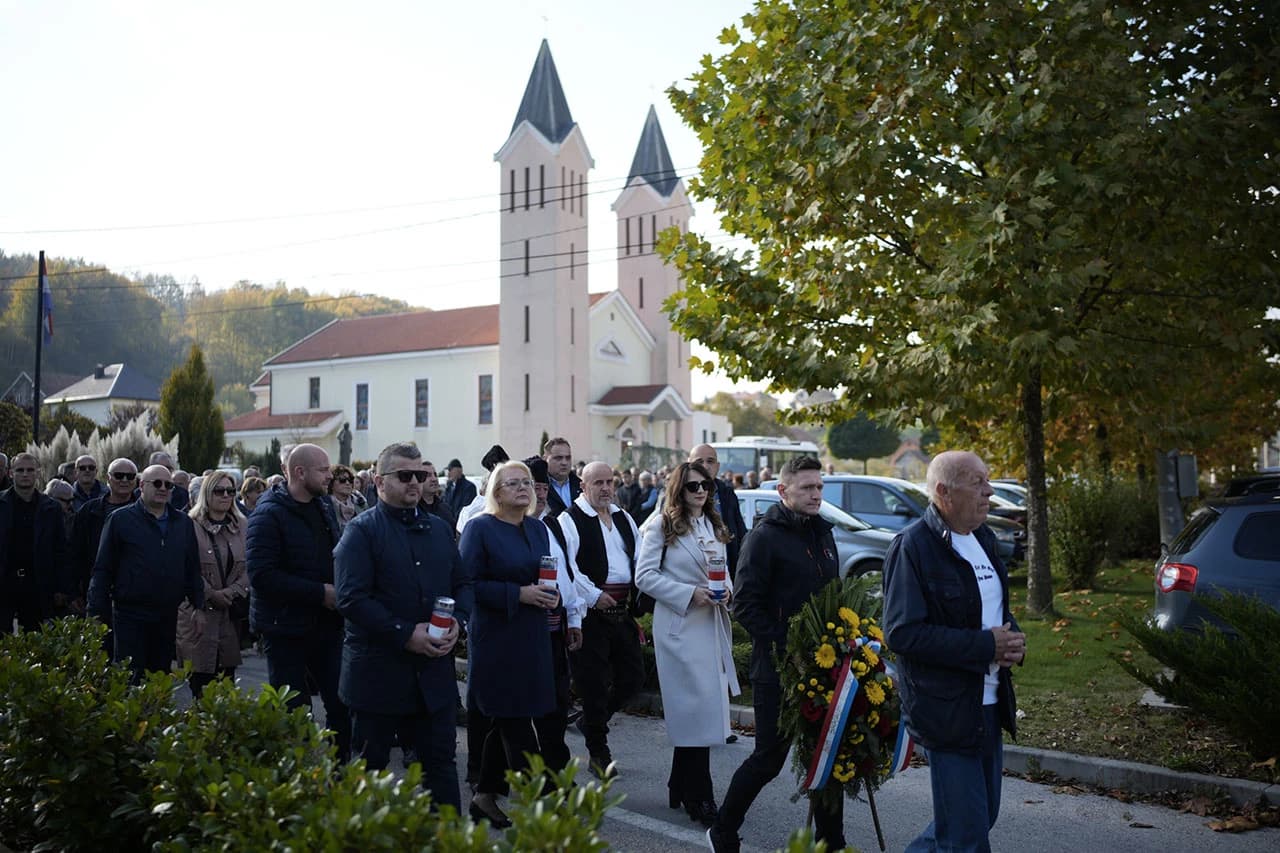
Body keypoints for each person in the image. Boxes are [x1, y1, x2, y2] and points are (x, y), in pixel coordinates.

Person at [883, 450, 1025, 853]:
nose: (990, 491)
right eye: (978, 482)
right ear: (944, 491)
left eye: (988, 480)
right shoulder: (913, 547)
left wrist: (1012, 638)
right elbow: (901, 633)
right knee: (966, 836)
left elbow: (994, 610)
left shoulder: (984, 539)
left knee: (978, 819)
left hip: (989, 704)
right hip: (945, 709)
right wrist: (985, 645)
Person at [707, 456, 845, 852]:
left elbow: (831, 599)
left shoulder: (823, 533)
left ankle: (831, 842)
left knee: (826, 757)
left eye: (819, 487)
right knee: (769, 760)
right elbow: (746, 605)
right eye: (807, 488)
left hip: (825, 667)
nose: (816, 494)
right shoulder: (764, 537)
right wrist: (791, 645)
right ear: (783, 491)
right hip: (779, 670)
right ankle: (723, 828)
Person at [335, 442, 472, 810]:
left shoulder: (440, 530)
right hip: (378, 675)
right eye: (405, 476)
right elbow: (351, 598)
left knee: (441, 768)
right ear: (379, 482)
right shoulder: (361, 532)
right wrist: (405, 633)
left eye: (423, 475)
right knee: (370, 775)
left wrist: (458, 622)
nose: (416, 482)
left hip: (433, 677)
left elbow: (463, 585)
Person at [634, 461, 739, 827]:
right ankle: (701, 796)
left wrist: (726, 588)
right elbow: (644, 576)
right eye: (693, 486)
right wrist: (687, 593)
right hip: (679, 626)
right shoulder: (661, 525)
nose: (700, 492)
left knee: (703, 709)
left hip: (709, 625)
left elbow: (721, 569)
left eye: (705, 485)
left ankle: (679, 784)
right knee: (695, 711)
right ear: (679, 489)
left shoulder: (713, 524)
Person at [460, 459, 562, 827]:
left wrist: (551, 595)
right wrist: (517, 594)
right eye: (513, 483)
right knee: (514, 721)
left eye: (528, 483)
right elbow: (466, 584)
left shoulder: (537, 529)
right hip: (496, 637)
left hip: (532, 635)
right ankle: (540, 799)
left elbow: (547, 574)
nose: (524, 488)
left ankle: (484, 796)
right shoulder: (480, 529)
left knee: (507, 718)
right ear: (496, 492)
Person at [246, 443, 351, 761]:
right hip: (285, 629)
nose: (329, 476)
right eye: (323, 470)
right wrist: (321, 593)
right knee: (293, 711)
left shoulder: (323, 506)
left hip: (326, 626)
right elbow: (262, 576)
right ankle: (297, 782)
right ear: (299, 472)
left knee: (341, 703)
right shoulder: (268, 514)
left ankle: (339, 777)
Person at [547, 460, 643, 779]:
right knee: (593, 686)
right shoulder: (570, 519)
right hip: (590, 614)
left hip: (621, 611)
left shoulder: (624, 517)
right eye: (597, 483)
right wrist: (591, 594)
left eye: (609, 482)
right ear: (582, 487)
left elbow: (639, 558)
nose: (605, 488)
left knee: (633, 678)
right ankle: (598, 751)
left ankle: (592, 720)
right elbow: (566, 568)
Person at [88, 464, 204, 682]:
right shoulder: (120, 520)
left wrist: (199, 606)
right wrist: (95, 613)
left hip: (167, 614)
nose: (163, 488)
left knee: (158, 679)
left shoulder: (183, 523)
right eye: (157, 483)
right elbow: (103, 568)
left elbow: (192, 568)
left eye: (168, 485)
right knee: (130, 677)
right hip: (130, 614)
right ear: (141, 485)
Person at [177, 471, 248, 699]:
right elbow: (185, 567)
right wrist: (210, 593)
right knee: (201, 682)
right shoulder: (188, 524)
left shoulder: (242, 525)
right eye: (220, 491)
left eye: (231, 491)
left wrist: (231, 592)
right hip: (198, 614)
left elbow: (251, 566)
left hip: (229, 613)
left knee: (226, 682)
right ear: (207, 494)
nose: (226, 495)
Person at [1, 453, 70, 633]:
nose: (25, 474)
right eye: (20, 470)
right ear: (10, 473)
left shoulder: (51, 508)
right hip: (5, 582)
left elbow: (60, 550)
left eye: (30, 470)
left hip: (37, 584)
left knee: (35, 641)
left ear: (38, 473)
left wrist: (61, 588)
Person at [70, 458, 139, 616]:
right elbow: (74, 553)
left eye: (130, 476)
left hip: (134, 594)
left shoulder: (146, 512)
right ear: (108, 478)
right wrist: (73, 591)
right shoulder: (88, 511)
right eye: (119, 475)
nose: (124, 480)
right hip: (97, 591)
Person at [687, 446, 748, 580]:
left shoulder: (727, 493)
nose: (705, 466)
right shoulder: (676, 497)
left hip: (725, 580)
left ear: (718, 466)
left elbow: (740, 534)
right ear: (688, 465)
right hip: (690, 583)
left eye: (710, 461)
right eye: (699, 462)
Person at [542, 437, 580, 518]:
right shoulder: (538, 488)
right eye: (558, 458)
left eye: (568, 458)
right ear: (545, 459)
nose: (564, 462)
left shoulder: (581, 487)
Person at [417, 459, 457, 534]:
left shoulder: (445, 509)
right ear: (418, 479)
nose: (434, 479)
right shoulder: (414, 511)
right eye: (428, 475)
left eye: (435, 475)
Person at [329, 463, 364, 533]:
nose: (347, 483)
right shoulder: (325, 506)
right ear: (331, 483)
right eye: (342, 480)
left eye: (350, 480)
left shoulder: (361, 503)